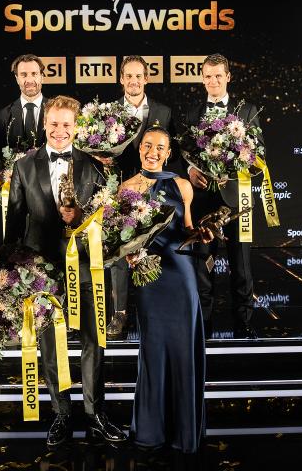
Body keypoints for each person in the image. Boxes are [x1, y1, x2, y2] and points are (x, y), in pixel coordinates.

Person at [5, 95, 127, 449]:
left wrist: (83, 217)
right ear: (44, 123)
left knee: (93, 341)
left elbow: (108, 219)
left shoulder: (94, 165)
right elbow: (14, 223)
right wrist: (12, 273)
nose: (60, 131)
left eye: (67, 125)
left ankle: (95, 413)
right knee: (50, 346)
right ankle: (62, 414)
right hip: (41, 271)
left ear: (77, 127)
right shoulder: (23, 167)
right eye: (54, 124)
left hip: (86, 267)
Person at [121, 125, 211, 453]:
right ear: (139, 148)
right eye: (148, 145)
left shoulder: (182, 185)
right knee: (153, 349)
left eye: (160, 147)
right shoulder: (125, 188)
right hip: (150, 277)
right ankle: (151, 431)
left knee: (183, 349)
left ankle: (183, 433)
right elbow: (121, 238)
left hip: (180, 274)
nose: (153, 152)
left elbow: (187, 228)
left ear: (169, 153)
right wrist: (129, 255)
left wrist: (201, 235)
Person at [177, 53, 264, 339]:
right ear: (202, 79)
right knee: (203, 265)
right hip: (203, 199)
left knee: (241, 266)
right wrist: (190, 171)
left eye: (218, 75)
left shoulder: (247, 111)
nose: (213, 81)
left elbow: (260, 155)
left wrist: (237, 167)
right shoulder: (192, 112)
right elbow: (182, 154)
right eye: (208, 76)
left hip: (237, 199)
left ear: (228, 77)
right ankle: (203, 324)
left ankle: (244, 323)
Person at [105, 55, 174, 338]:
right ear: (121, 79)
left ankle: (154, 310)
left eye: (138, 76)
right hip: (121, 187)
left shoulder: (164, 112)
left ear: (146, 78)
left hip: (154, 189)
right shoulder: (108, 113)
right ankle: (119, 313)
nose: (133, 81)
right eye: (128, 76)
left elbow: (172, 152)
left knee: (153, 246)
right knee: (119, 248)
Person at [0, 54, 48, 158]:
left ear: (42, 77)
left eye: (34, 74)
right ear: (17, 79)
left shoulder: (56, 110)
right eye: (24, 75)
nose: (29, 80)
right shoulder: (4, 115)